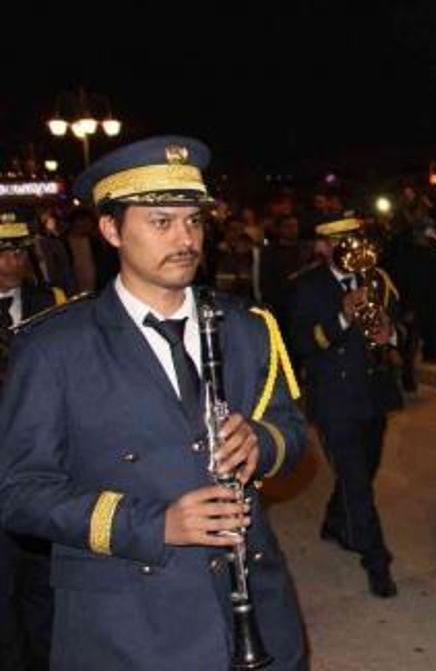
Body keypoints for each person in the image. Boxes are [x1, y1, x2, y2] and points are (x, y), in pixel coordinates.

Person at [0, 136, 308, 668]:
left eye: (193, 221)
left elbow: (292, 430)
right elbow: (20, 492)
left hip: (257, 606)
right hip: (127, 626)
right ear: (111, 229)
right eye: (161, 222)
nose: (185, 238)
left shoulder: (246, 326)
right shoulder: (54, 346)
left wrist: (260, 442)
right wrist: (154, 524)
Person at [288, 216, 401, 597]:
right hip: (334, 399)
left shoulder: (377, 279)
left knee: (363, 472)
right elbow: (304, 344)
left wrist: (391, 334)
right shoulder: (306, 286)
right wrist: (342, 317)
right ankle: (376, 560)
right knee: (356, 482)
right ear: (322, 246)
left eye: (355, 238)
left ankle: (335, 521)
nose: (351, 245)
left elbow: (397, 323)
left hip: (373, 393)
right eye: (341, 240)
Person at [0, 213, 67, 670]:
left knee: (47, 584)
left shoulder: (54, 301)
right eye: (4, 252)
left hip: (46, 461)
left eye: (20, 251)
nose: (13, 261)